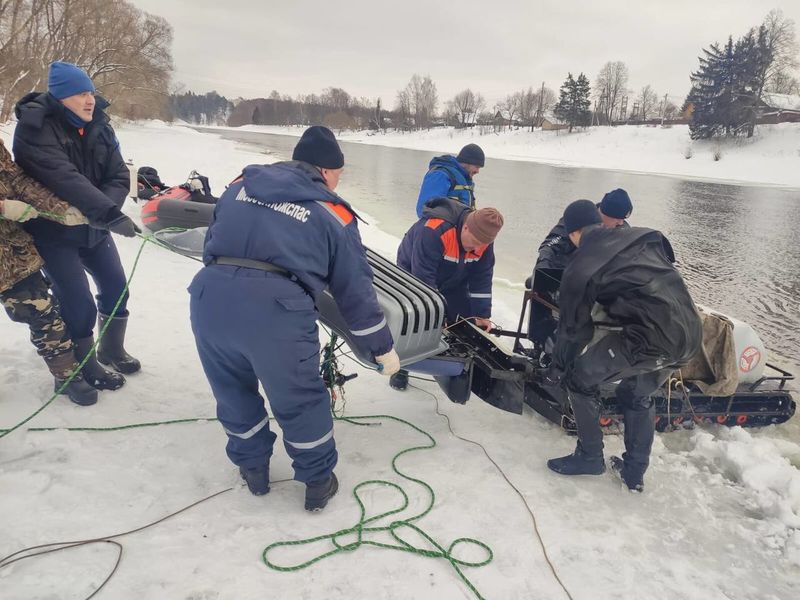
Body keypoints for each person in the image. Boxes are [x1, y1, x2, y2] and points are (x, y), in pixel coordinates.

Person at [189, 126, 400, 511]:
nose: (338, 182)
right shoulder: (333, 212)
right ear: (326, 170)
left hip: (209, 297)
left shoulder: (240, 185)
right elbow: (355, 291)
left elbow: (212, 241)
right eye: (339, 174)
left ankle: (253, 470)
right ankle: (318, 480)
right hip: (275, 311)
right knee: (299, 398)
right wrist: (381, 348)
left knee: (232, 389)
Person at [545, 200, 702, 492]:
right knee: (636, 392)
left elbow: (574, 332)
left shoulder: (581, 267)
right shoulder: (642, 235)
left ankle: (590, 457)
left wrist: (558, 367)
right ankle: (634, 473)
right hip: (691, 333)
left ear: (573, 233)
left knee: (579, 379)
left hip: (649, 339)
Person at [13, 61, 141, 392]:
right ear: (60, 97)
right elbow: (62, 177)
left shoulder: (100, 125)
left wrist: (103, 212)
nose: (90, 100)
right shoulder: (34, 128)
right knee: (77, 301)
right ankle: (83, 364)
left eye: (91, 93)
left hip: (94, 229)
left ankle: (111, 348)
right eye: (81, 94)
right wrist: (107, 212)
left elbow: (117, 175)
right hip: (55, 233)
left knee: (116, 287)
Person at [0, 140, 97, 406]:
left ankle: (66, 376)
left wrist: (61, 209)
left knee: (41, 309)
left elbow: (19, 181)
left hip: (10, 250)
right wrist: (1, 207)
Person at [393, 198, 504, 390]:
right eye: (475, 243)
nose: (477, 250)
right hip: (414, 271)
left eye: (482, 245)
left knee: (463, 319)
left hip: (454, 276)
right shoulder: (434, 230)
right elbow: (423, 281)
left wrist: (481, 314)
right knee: (416, 318)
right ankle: (401, 366)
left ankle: (453, 364)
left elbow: (482, 278)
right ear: (466, 228)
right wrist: (438, 315)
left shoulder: (484, 241)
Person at [528, 189, 634, 353]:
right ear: (603, 213)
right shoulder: (580, 215)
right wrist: (545, 263)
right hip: (565, 273)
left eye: (624, 219)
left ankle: (581, 351)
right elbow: (551, 243)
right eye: (618, 218)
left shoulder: (621, 232)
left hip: (594, 284)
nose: (621, 223)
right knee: (538, 282)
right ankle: (541, 340)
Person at [415, 144, 485, 217]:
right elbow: (425, 210)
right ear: (467, 162)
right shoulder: (440, 174)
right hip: (442, 228)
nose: (477, 171)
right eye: (477, 167)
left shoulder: (465, 179)